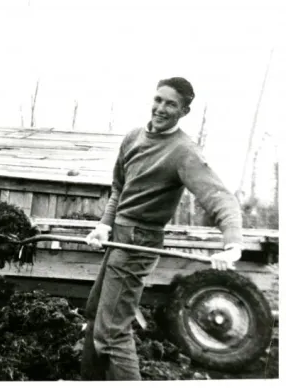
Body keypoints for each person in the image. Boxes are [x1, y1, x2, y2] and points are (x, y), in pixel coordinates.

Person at [81, 77, 243, 381]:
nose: (161, 108)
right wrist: (104, 225)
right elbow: (119, 188)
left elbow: (218, 196)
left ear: (184, 112)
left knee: (112, 332)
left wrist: (232, 242)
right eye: (158, 99)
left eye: (171, 104)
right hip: (119, 236)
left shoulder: (184, 152)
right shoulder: (132, 138)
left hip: (140, 240)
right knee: (94, 315)